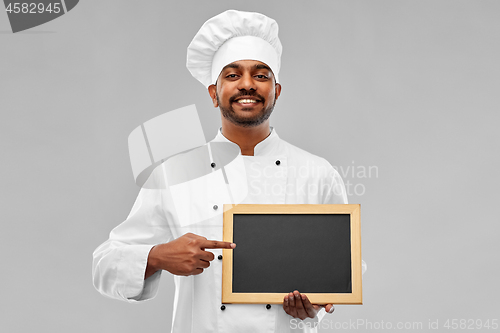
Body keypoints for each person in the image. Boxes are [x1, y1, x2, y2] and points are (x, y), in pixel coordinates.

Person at [93, 10, 348, 333]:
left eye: (260, 75)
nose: (247, 84)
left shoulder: (317, 174)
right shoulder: (174, 174)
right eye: (232, 75)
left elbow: (340, 268)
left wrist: (314, 306)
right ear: (214, 94)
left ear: (276, 91)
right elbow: (104, 265)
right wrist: (157, 256)